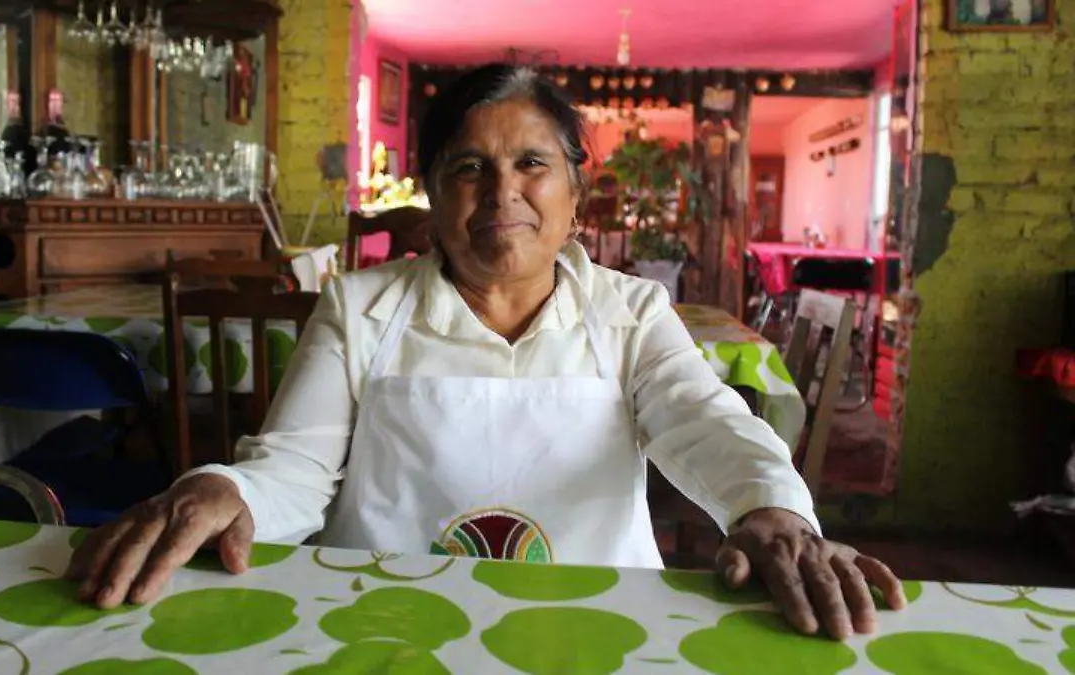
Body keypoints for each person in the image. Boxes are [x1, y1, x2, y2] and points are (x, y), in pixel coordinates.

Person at [68, 63, 905, 640]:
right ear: (434, 196)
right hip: (383, 622)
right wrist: (227, 488)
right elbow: (293, 466)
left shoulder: (631, 312)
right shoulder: (361, 307)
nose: (503, 191)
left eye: (532, 163)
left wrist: (770, 508)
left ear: (575, 195)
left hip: (597, 625)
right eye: (469, 167)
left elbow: (706, 420)